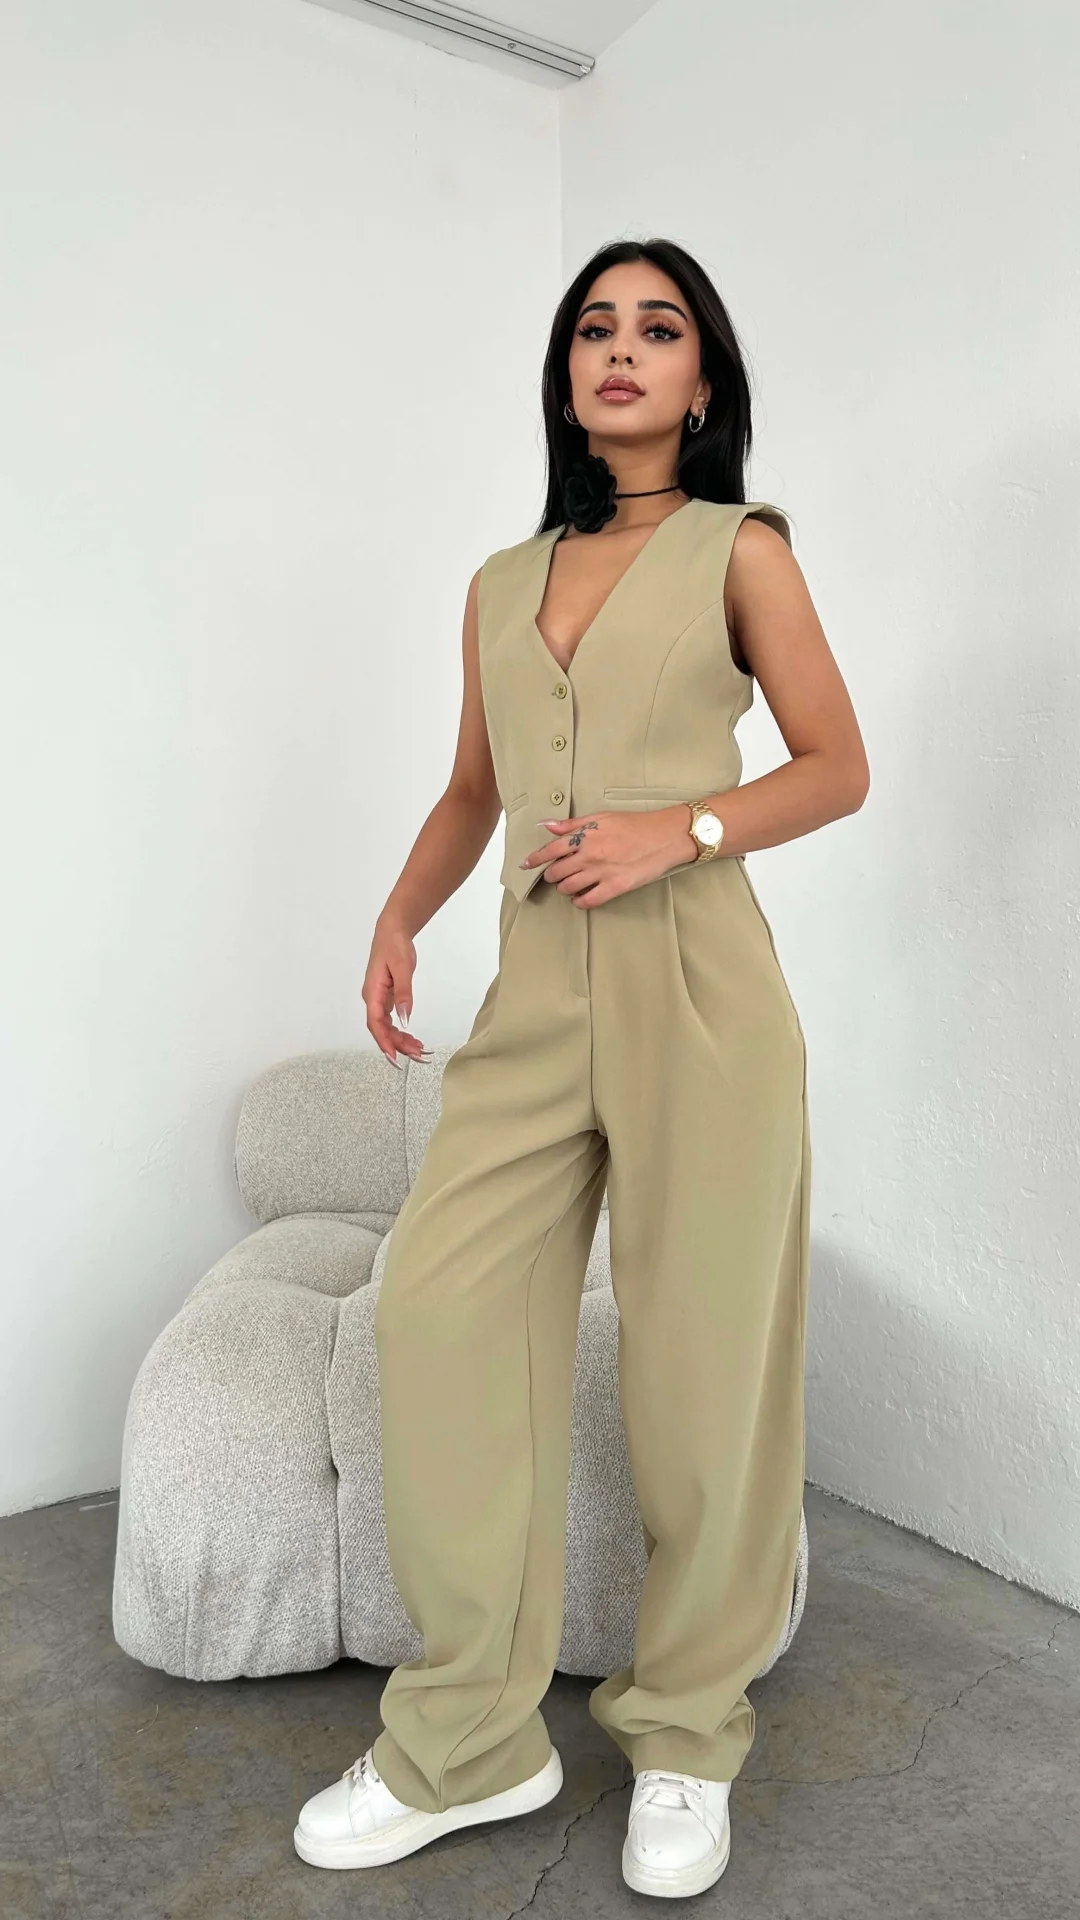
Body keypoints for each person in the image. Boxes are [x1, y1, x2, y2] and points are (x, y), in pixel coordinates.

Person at [293, 236, 869, 1899]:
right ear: (566, 377)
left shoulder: (741, 552)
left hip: (704, 993)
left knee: (705, 1367)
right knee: (438, 1307)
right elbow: (473, 791)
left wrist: (680, 828)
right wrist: (400, 914)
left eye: (658, 328)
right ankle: (474, 1738)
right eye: (596, 327)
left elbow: (836, 764)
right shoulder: (499, 582)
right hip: (536, 994)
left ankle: (686, 1734)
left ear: (701, 379)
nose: (623, 348)